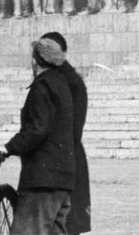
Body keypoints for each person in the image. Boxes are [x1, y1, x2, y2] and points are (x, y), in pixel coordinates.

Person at [0, 38, 75, 234]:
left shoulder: (42, 87)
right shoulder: (62, 85)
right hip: (63, 179)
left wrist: (8, 148)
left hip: (42, 181)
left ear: (35, 61)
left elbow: (37, 129)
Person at [40, 32, 92, 235]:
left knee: (63, 223)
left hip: (62, 160)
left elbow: (71, 129)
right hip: (66, 158)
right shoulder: (65, 79)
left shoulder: (66, 82)